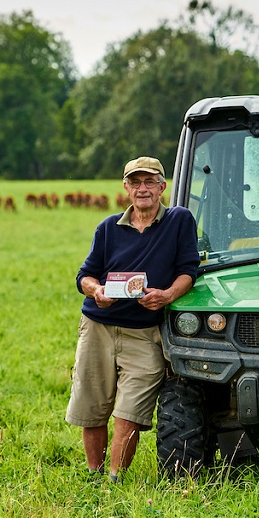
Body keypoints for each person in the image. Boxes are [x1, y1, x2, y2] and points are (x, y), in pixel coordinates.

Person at [66, 156, 200, 483]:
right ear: (126, 188)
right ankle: (94, 474)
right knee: (93, 403)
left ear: (162, 187)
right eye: (135, 182)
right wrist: (96, 290)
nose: (143, 189)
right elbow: (84, 276)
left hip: (144, 330)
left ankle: (115, 480)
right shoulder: (108, 228)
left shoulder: (179, 220)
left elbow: (188, 271)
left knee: (130, 410)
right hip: (99, 325)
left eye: (149, 182)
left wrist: (167, 295)